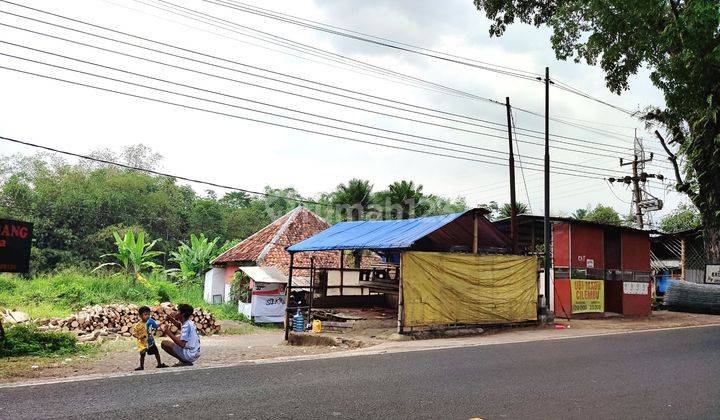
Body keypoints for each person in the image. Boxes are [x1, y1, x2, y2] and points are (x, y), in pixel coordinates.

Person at [131, 306, 168, 371]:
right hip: (143, 343)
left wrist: (163, 322)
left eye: (148, 314)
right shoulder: (138, 325)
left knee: (156, 352)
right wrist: (139, 337)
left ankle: (159, 364)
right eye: (145, 314)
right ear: (140, 316)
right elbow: (134, 334)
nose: (147, 316)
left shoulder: (150, 321)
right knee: (142, 355)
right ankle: (141, 366)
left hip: (151, 341)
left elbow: (156, 326)